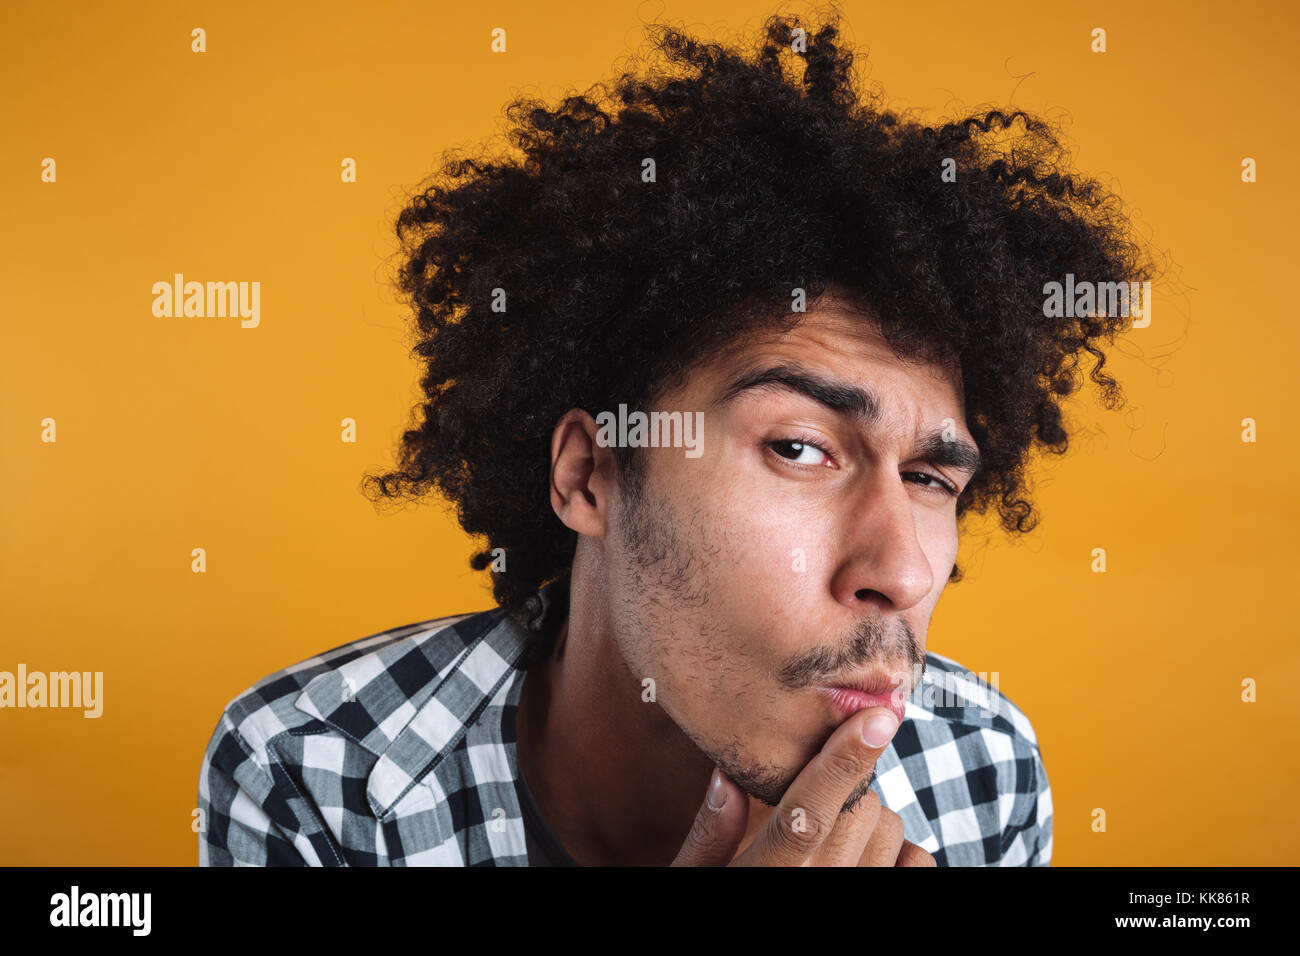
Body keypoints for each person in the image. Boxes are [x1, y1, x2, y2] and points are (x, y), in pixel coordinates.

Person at [198, 8, 1153, 866]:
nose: (902, 573)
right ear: (591, 475)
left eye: (932, 479)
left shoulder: (985, 775)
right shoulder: (318, 773)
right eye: (800, 448)